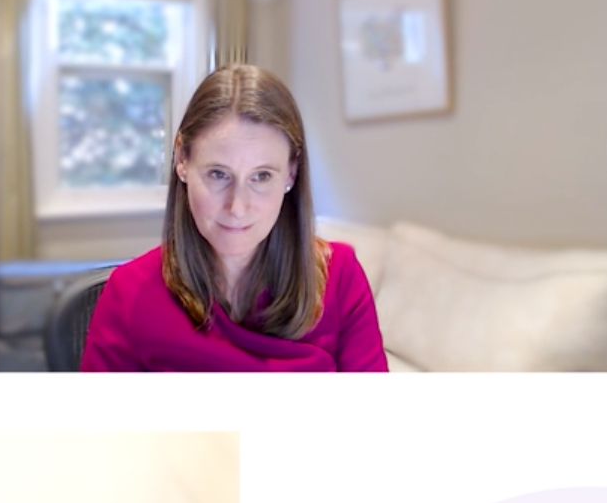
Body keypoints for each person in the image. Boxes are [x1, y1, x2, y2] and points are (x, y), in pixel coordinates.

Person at [81, 63, 388, 371]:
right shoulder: (129, 294)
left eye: (262, 176)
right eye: (218, 174)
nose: (237, 207)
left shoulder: (341, 278)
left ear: (291, 173)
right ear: (181, 160)